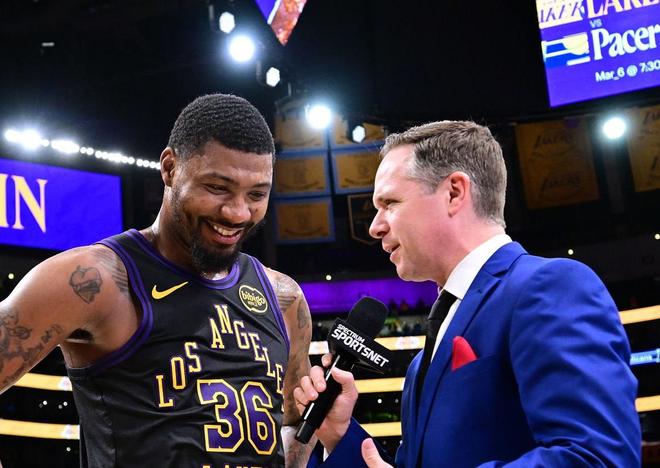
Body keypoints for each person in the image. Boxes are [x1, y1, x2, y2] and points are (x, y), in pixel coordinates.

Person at [294, 121, 641, 467]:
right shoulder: (420, 364)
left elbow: (597, 458)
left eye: (390, 203)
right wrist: (340, 435)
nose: (374, 226)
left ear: (454, 193)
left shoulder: (551, 286)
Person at [0, 93, 315, 467]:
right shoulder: (91, 280)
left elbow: (296, 423)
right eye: (217, 188)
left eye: (257, 194)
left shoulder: (284, 297)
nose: (237, 212)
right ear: (169, 168)